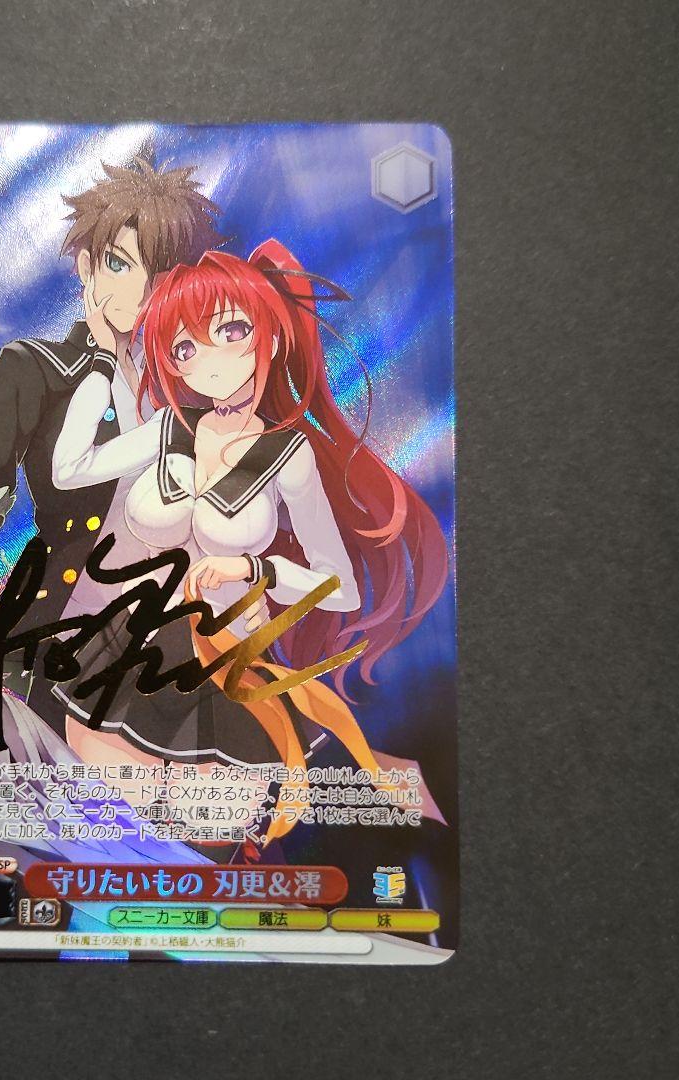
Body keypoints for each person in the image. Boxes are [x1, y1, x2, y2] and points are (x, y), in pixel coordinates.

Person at [51, 239, 449, 847]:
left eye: (230, 331)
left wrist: (253, 568)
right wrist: (102, 365)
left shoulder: (287, 454)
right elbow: (70, 469)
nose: (205, 361)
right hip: (135, 648)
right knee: (111, 814)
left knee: (206, 829)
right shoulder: (168, 427)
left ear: (270, 338)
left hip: (225, 661)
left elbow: (339, 587)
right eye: (184, 347)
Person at [0, 158, 225, 736]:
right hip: (60, 629)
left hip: (171, 638)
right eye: (119, 263)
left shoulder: (197, 389)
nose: (137, 292)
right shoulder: (39, 371)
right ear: (86, 267)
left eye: (158, 274)